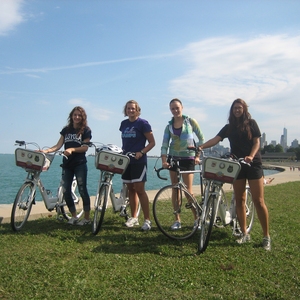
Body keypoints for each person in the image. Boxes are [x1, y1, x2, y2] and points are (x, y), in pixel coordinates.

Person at [199, 98, 271, 250]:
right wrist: (201, 146)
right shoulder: (229, 127)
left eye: (239, 108)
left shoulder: (252, 124)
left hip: (253, 164)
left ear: (244, 109)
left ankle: (266, 236)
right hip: (237, 165)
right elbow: (216, 139)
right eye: (234, 108)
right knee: (240, 200)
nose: (237, 110)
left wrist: (251, 156)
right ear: (232, 110)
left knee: (259, 201)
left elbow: (257, 142)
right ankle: (244, 233)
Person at [41, 106, 92, 225]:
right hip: (67, 164)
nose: (77, 117)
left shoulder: (86, 130)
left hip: (80, 164)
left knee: (82, 190)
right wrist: (46, 151)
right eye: (75, 115)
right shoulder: (66, 130)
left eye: (79, 115)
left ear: (83, 117)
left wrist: (72, 149)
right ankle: (74, 216)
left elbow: (85, 147)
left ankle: (87, 218)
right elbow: (58, 145)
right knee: (65, 190)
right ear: (71, 116)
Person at [161, 98, 205, 230]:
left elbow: (201, 138)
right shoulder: (168, 126)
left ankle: (197, 218)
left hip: (188, 159)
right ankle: (177, 219)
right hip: (173, 158)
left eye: (177, 108)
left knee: (187, 190)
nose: (175, 110)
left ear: (182, 107)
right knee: (175, 188)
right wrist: (164, 160)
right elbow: (164, 145)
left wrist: (197, 155)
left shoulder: (191, 122)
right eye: (172, 108)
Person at [119, 100, 155, 231]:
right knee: (131, 190)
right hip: (126, 161)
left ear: (137, 110)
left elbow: (152, 142)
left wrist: (141, 152)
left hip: (139, 161)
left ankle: (147, 220)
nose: (130, 110)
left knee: (140, 189)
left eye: (133, 108)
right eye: (128, 108)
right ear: (126, 110)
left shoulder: (143, 124)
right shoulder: (123, 124)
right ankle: (134, 217)